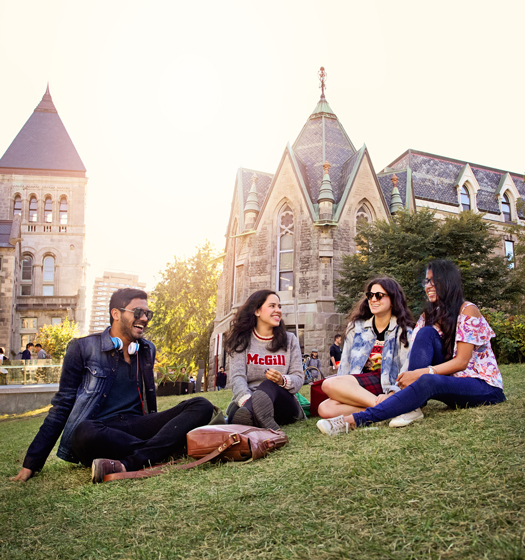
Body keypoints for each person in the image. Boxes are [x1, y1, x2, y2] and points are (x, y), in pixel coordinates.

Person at [11, 288, 214, 483]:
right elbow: (62, 406)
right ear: (115, 314)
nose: (144, 318)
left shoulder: (146, 350)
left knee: (201, 405)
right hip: (100, 431)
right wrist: (32, 462)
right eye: (138, 312)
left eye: (147, 313)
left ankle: (133, 461)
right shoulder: (82, 348)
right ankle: (167, 448)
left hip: (136, 427)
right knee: (84, 432)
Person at [317, 260, 506, 435]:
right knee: (425, 335)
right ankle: (409, 405)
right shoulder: (428, 316)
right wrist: (418, 375)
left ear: (447, 282)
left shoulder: (467, 310)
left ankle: (354, 421)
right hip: (449, 384)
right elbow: (417, 354)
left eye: (433, 281)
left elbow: (462, 362)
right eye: (426, 282)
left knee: (428, 379)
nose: (428, 286)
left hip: (482, 386)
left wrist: (422, 373)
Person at [317, 277, 415, 423]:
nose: (373, 299)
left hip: (388, 385)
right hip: (360, 386)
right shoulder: (356, 328)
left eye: (379, 295)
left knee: (329, 383)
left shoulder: (404, 330)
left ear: (393, 299)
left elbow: (407, 369)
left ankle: (390, 404)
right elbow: (345, 365)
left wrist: (395, 391)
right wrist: (340, 392)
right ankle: (389, 409)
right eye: (370, 295)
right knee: (324, 409)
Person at [225, 289, 305, 430]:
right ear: (257, 311)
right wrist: (249, 402)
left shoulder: (290, 340)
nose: (278, 310)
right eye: (272, 306)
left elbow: (298, 378)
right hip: (247, 400)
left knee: (269, 384)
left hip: (282, 403)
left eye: (279, 306)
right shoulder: (241, 340)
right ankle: (251, 414)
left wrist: (281, 380)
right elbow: (237, 377)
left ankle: (249, 416)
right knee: (237, 412)